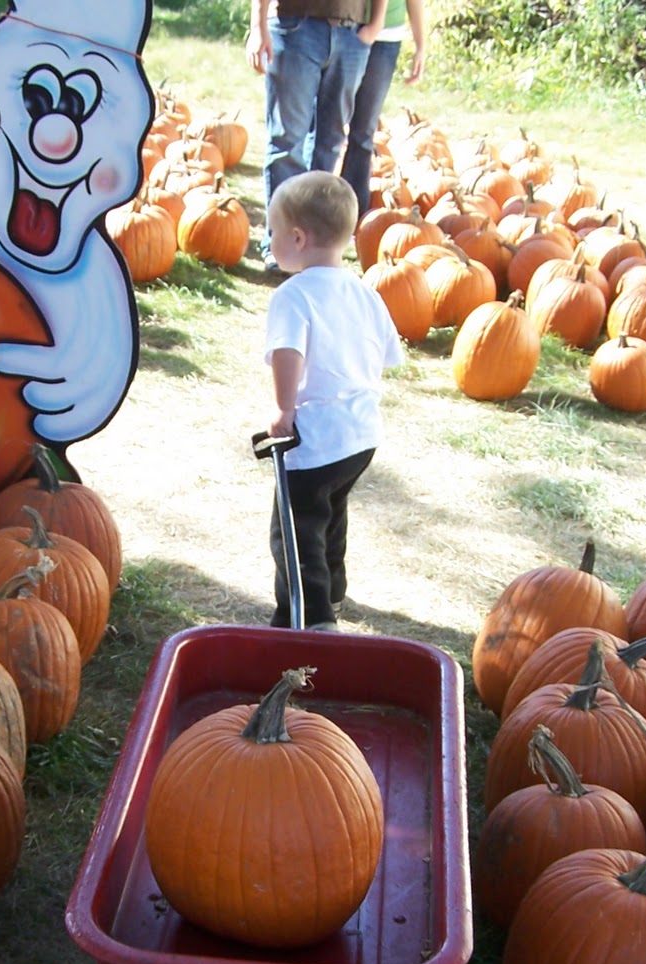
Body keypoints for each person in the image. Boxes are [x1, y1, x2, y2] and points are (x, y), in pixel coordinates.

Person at [261, 171, 404, 630]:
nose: (270, 240)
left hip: (315, 439)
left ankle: (311, 619)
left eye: (273, 231)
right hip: (360, 436)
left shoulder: (294, 295)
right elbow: (385, 355)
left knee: (295, 531)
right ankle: (335, 593)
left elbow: (289, 353)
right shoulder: (365, 292)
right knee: (330, 515)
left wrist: (285, 409)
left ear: (297, 237)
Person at [246, 0, 387, 272]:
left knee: (331, 142)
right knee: (287, 141)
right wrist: (258, 25)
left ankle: (314, 248)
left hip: (350, 33)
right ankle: (281, 245)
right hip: (294, 24)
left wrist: (375, 24)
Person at [313, 0, 426, 217]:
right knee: (324, 126)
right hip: (340, 26)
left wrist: (420, 46)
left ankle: (350, 215)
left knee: (364, 130)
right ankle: (311, 206)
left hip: (384, 37)